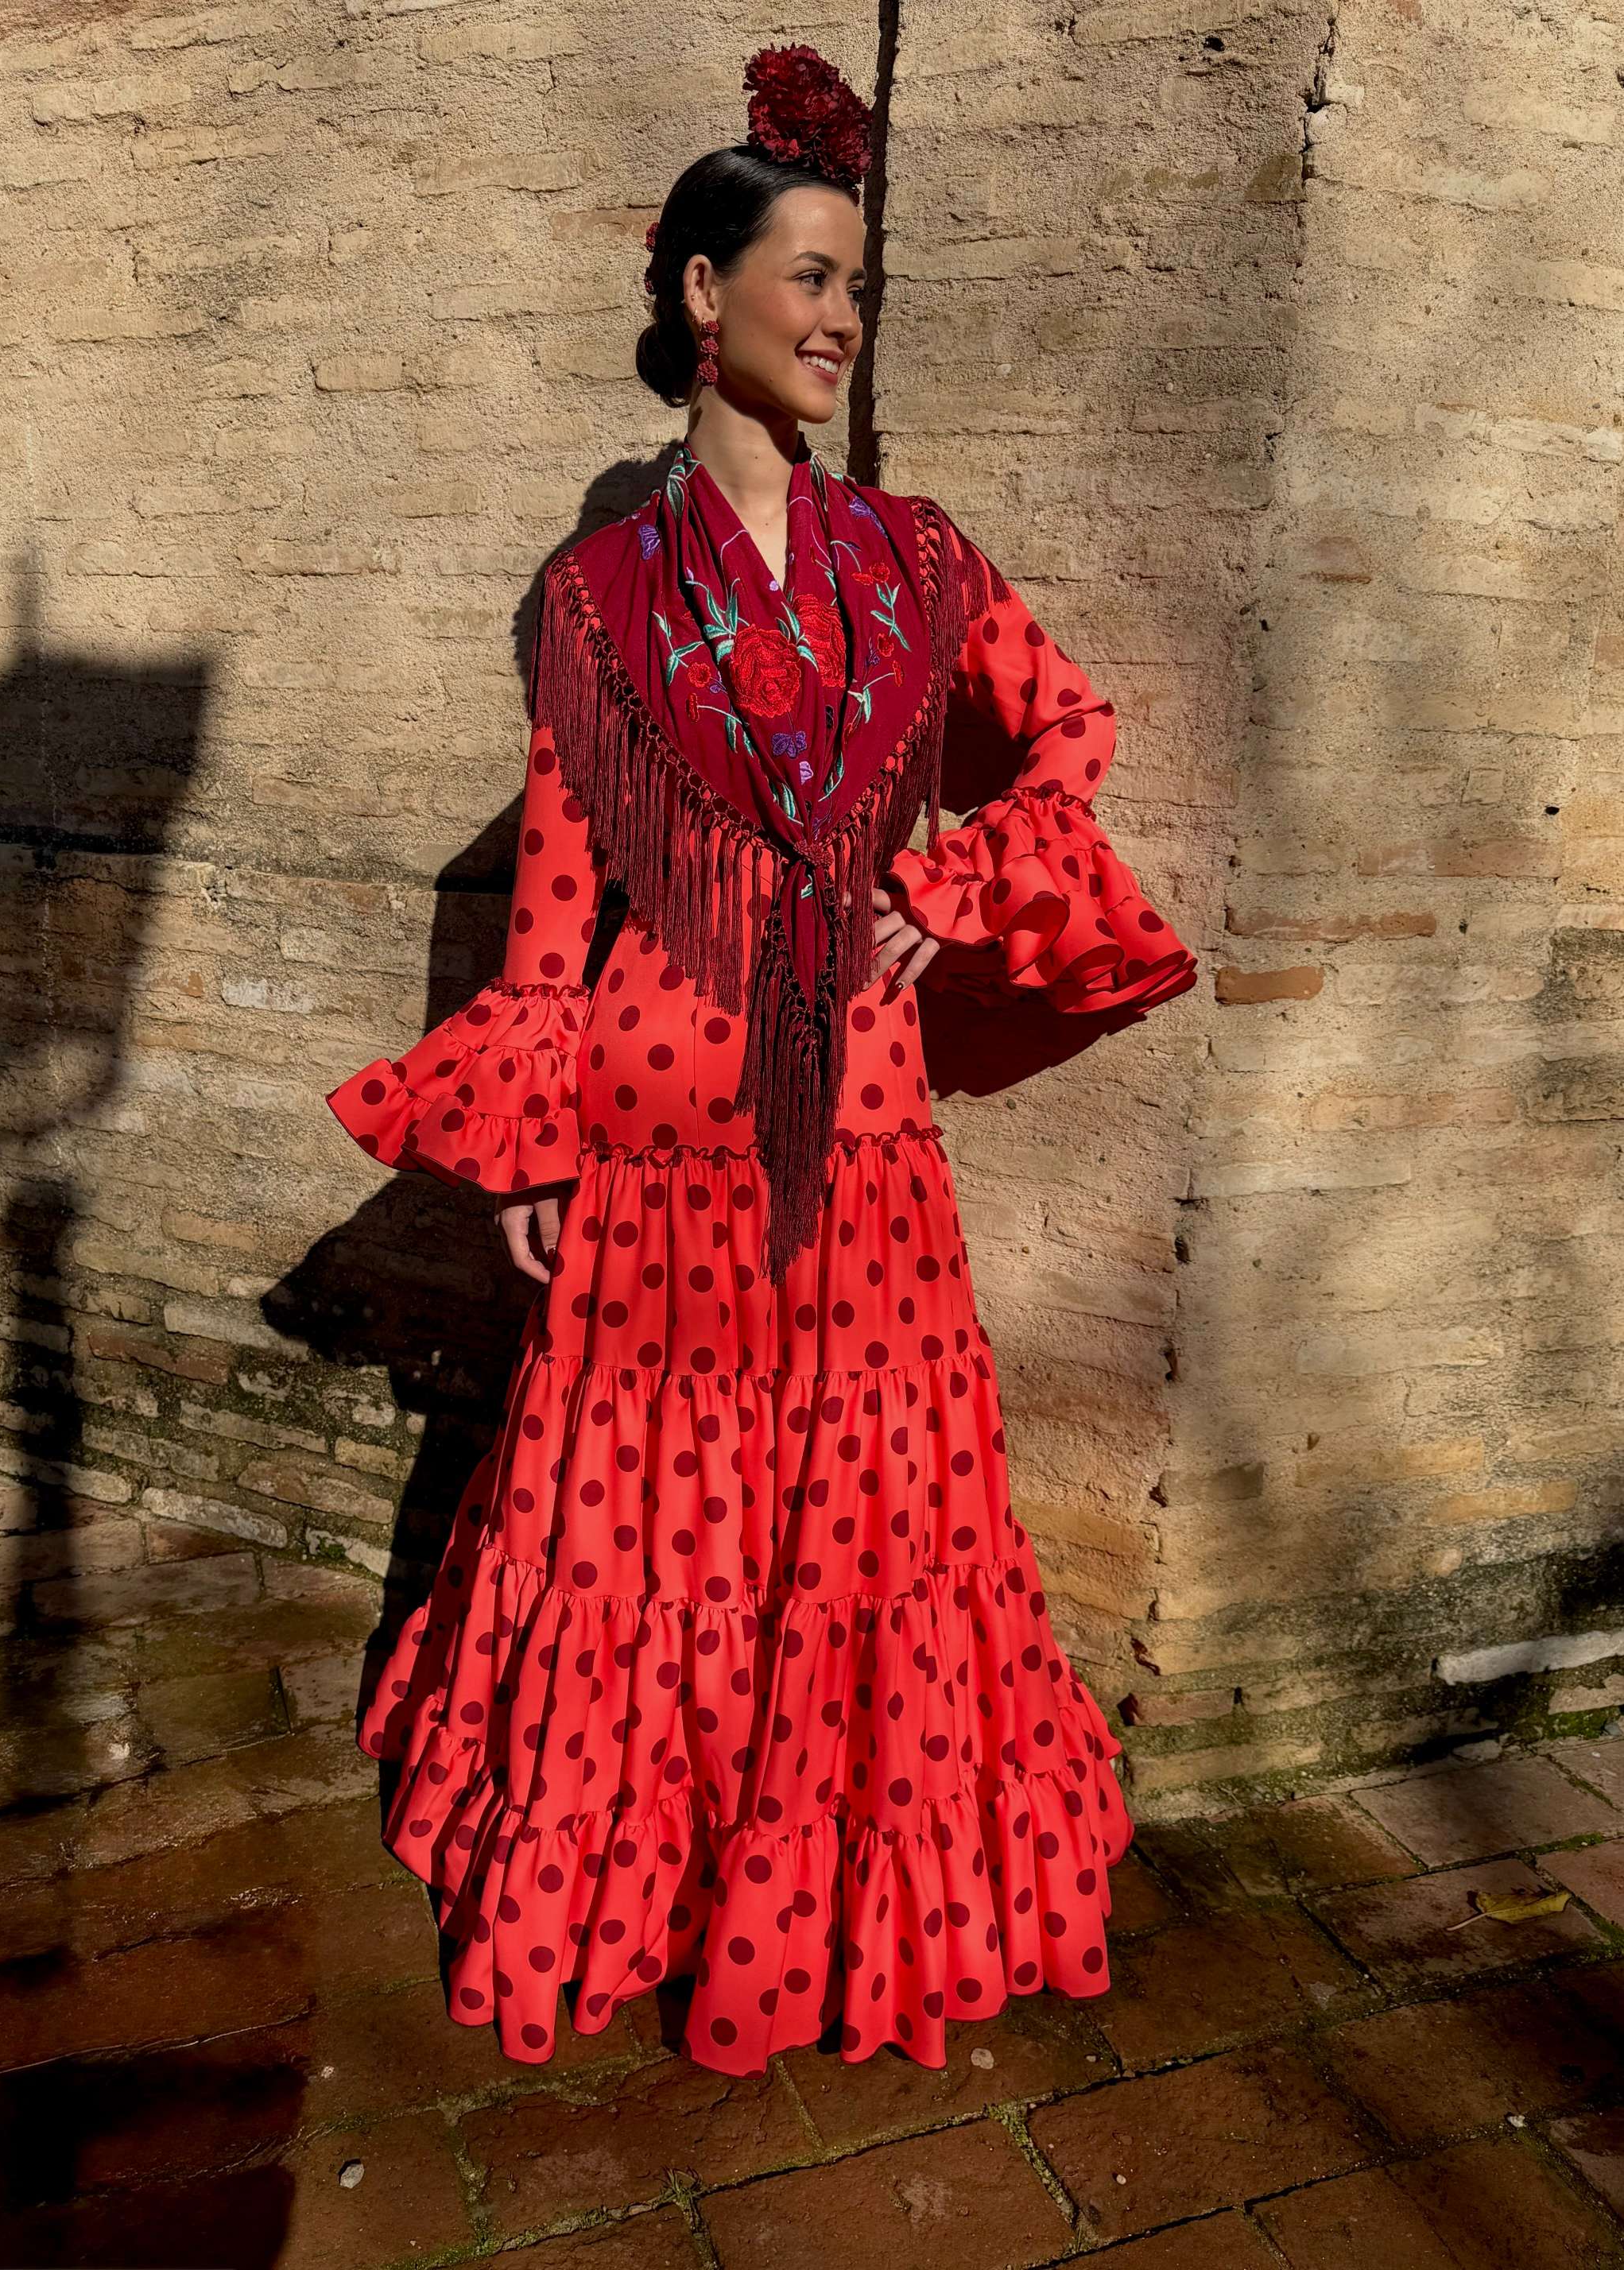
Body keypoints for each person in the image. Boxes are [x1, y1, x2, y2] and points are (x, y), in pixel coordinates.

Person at [326, 42, 1198, 2075]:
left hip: (861, 1132)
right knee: (651, 1535)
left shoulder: (917, 559)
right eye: (809, 275)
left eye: (857, 287)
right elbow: (561, 893)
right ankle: (641, 1870)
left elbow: (1070, 734)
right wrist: (534, 1146)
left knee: (867, 1528)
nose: (838, 318)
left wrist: (958, 879)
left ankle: (822, 1895)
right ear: (702, 292)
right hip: (653, 1139)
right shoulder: (598, 599)